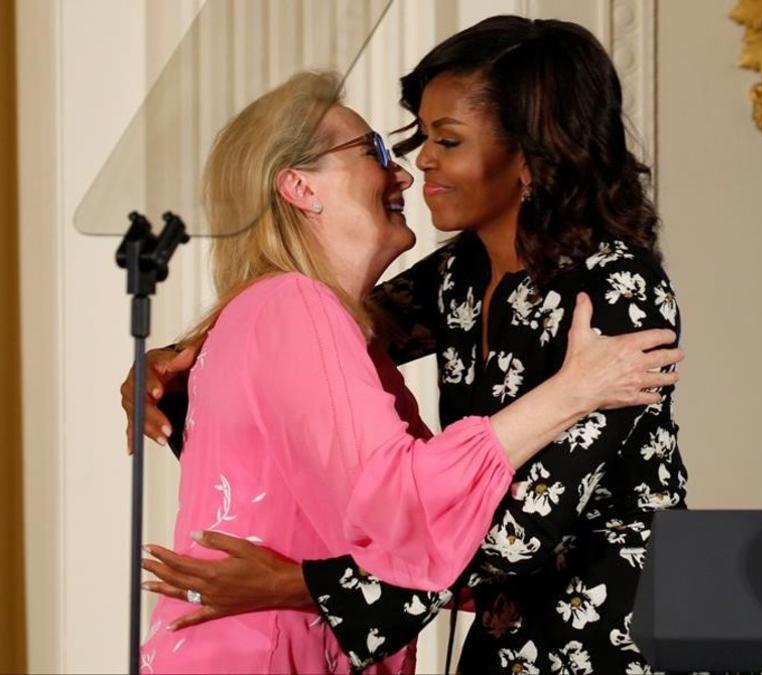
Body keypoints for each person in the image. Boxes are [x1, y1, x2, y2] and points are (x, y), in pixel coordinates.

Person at [127, 16, 688, 675]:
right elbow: (315, 340)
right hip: (507, 639)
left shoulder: (616, 288)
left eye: (446, 140)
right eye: (420, 138)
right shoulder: (459, 276)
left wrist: (306, 585)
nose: (418, 160)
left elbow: (519, 531)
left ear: (531, 154)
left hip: (622, 636)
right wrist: (171, 361)